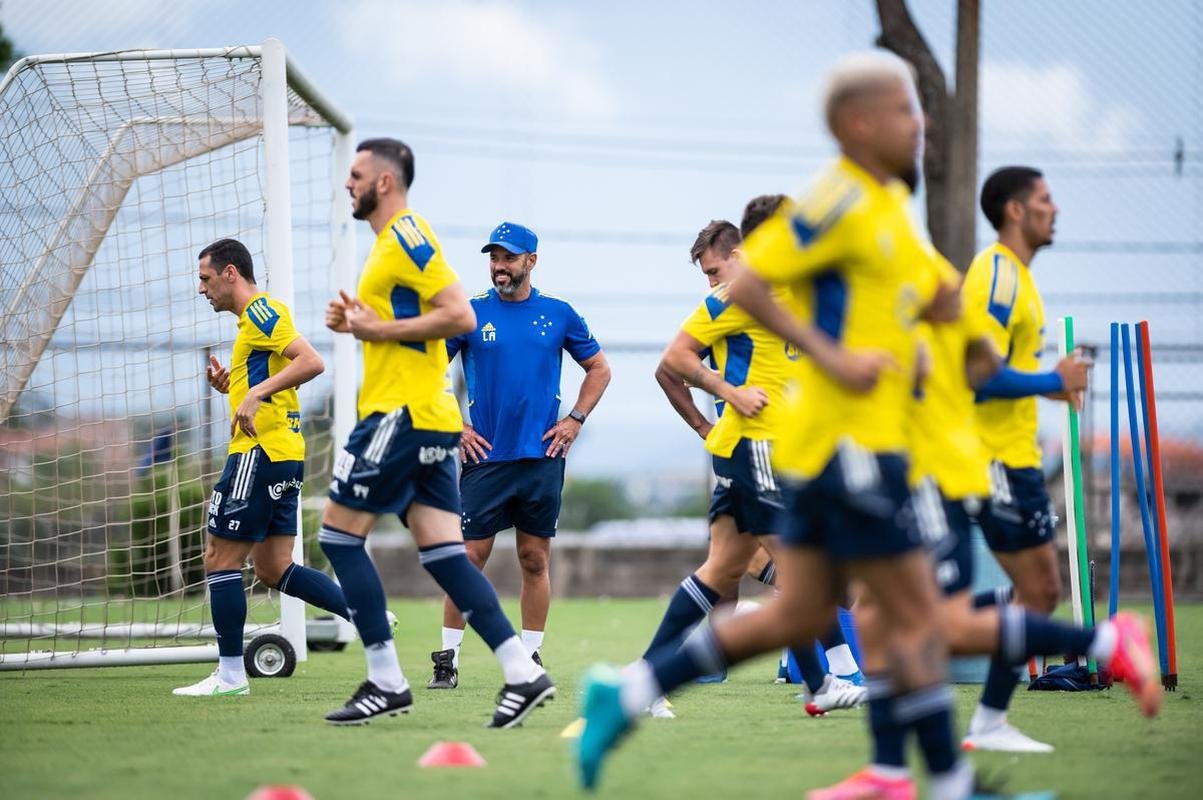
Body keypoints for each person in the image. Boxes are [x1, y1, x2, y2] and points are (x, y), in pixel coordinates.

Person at [576, 51, 972, 798]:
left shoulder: (868, 217)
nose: (916, 123)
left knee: (738, 577)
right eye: (901, 109)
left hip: (805, 447)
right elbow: (674, 356)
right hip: (774, 448)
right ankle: (880, 724)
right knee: (848, 593)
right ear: (858, 122)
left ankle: (639, 689)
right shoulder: (787, 244)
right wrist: (733, 397)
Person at [813, 252, 1162, 800]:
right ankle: (911, 776)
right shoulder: (878, 267)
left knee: (929, 623)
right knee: (881, 619)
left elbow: (973, 369)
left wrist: (1045, 378)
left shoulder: (934, 274)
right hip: (899, 470)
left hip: (932, 473)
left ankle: (1106, 639)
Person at [319, 138, 554, 727]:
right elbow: (416, 326)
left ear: (385, 182)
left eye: (356, 174)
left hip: (399, 416)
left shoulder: (406, 234)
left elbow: (459, 315)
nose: (347, 183)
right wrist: (358, 323)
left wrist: (378, 330)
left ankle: (385, 680)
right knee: (450, 557)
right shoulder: (387, 245)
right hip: (428, 419)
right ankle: (524, 675)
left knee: (340, 539)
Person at [643, 210, 863, 719]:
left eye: (713, 271)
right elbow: (673, 360)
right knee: (800, 563)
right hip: (750, 449)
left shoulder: (790, 296)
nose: (711, 283)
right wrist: (725, 396)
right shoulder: (733, 298)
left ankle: (647, 678)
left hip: (777, 452)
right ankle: (831, 675)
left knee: (722, 570)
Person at [427, 221, 610, 689]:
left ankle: (530, 658)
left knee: (534, 559)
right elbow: (427, 371)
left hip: (542, 459)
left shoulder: (559, 313)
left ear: (531, 261)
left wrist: (575, 420)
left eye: (508, 258)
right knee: (468, 558)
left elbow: (599, 369)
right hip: (484, 458)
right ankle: (446, 659)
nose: (499, 266)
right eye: (493, 258)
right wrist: (456, 427)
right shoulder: (469, 313)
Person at [175, 238, 347, 697]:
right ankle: (365, 610)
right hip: (283, 453)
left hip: (257, 453)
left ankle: (230, 675)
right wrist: (233, 387)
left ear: (231, 273)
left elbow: (311, 362)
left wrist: (253, 395)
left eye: (206, 278)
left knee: (219, 559)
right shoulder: (251, 324)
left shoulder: (261, 311)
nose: (201, 288)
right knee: (273, 567)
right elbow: (270, 379)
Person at [958, 166, 1092, 752]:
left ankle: (987, 715)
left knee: (1041, 592)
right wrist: (1049, 379)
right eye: (1044, 199)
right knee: (1038, 591)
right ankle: (982, 712)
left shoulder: (1020, 280)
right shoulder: (997, 275)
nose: (1054, 208)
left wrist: (1051, 384)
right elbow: (975, 375)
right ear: (1015, 210)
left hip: (1014, 457)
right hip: (992, 459)